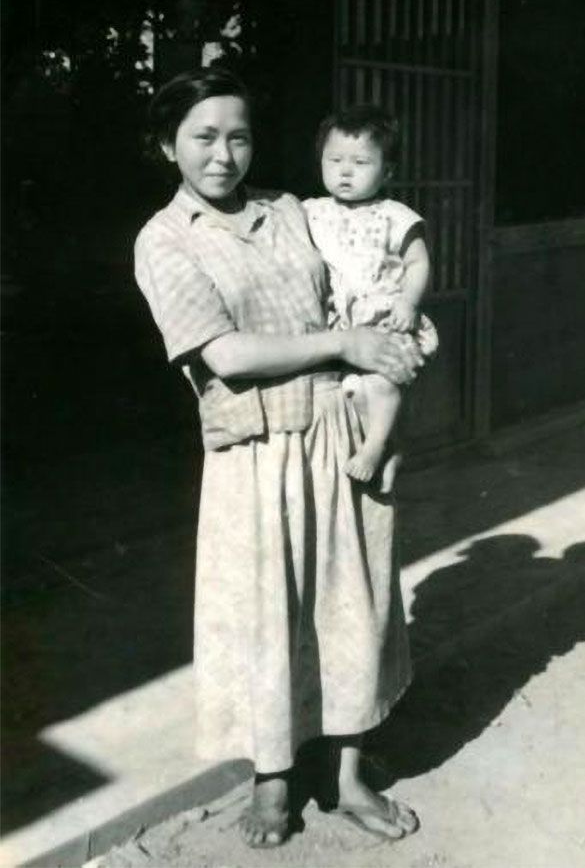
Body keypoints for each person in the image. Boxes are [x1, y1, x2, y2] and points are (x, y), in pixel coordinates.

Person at [134, 67, 422, 849]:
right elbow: (224, 352)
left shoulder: (290, 210)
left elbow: (370, 287)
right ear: (168, 146)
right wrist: (340, 342)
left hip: (339, 432)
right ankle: (274, 778)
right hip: (255, 452)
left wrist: (385, 429)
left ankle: (350, 771)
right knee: (268, 615)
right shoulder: (165, 240)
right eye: (203, 136)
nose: (224, 154)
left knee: (351, 602)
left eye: (238, 135)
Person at [304, 106, 438, 493]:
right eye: (335, 160)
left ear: (387, 171)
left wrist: (408, 303)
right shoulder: (309, 211)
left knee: (381, 382)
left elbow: (418, 263)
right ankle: (388, 446)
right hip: (337, 323)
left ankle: (376, 447)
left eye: (361, 162)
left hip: (382, 317)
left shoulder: (395, 216)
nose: (345, 171)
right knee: (349, 394)